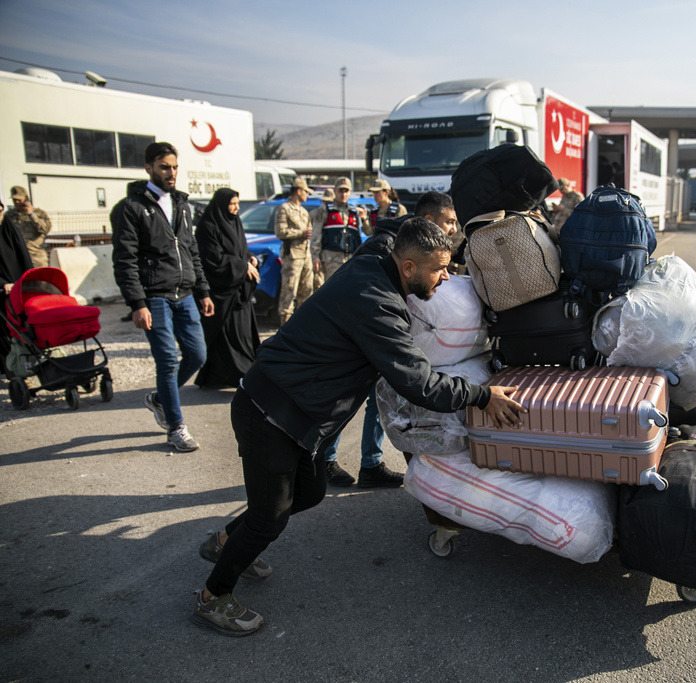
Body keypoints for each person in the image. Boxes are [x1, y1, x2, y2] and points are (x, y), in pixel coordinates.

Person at [190, 217, 525, 636]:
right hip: (271, 412)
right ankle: (212, 596)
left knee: (309, 494)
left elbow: (386, 231)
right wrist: (482, 396)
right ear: (407, 268)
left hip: (303, 416)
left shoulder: (374, 259)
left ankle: (226, 543)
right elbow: (419, 382)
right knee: (268, 517)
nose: (446, 276)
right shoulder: (378, 305)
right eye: (439, 269)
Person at [323, 190, 461, 488]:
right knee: (349, 399)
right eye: (449, 221)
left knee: (381, 402)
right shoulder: (385, 246)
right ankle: (324, 459)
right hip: (366, 338)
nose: (453, 228)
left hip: (390, 335)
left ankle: (371, 464)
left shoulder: (420, 248)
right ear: (428, 220)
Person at [111, 142, 214, 452]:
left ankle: (159, 399)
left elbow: (190, 250)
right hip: (154, 297)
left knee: (198, 355)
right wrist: (137, 304)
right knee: (167, 361)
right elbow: (125, 259)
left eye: (174, 167)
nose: (171, 173)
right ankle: (175, 427)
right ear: (149, 168)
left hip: (184, 294)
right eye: (164, 167)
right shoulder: (131, 208)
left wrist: (203, 291)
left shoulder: (181, 204)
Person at [193, 188, 262, 388]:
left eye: (237, 204)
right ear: (222, 204)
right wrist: (242, 266)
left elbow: (239, 248)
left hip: (239, 291)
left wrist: (250, 258)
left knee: (244, 335)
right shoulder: (208, 226)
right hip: (222, 291)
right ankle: (241, 375)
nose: (236, 208)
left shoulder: (234, 222)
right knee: (228, 337)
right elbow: (212, 260)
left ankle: (224, 376)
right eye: (232, 204)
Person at [309, 178, 370, 287]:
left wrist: (365, 219)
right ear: (335, 191)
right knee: (332, 290)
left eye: (346, 191)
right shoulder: (324, 210)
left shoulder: (354, 212)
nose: (343, 194)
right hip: (331, 260)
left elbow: (366, 233)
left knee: (349, 291)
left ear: (350, 192)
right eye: (340, 191)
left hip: (350, 260)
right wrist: (315, 256)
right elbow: (316, 235)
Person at [274, 178, 316, 324]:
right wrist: (300, 233)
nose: (307, 195)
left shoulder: (304, 211)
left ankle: (302, 326)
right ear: (298, 191)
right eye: (305, 192)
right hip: (292, 255)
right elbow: (280, 231)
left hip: (306, 254)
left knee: (307, 291)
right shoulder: (284, 208)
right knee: (289, 292)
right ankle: (284, 325)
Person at [0, 197, 32, 369]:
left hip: (18, 288)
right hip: (2, 288)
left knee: (22, 324)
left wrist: (28, 279)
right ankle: (11, 367)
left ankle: (26, 363)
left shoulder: (9, 228)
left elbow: (24, 258)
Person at [2, 186, 52, 269]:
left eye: (19, 200)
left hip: (36, 257)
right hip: (16, 258)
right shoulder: (9, 216)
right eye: (14, 200)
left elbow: (45, 229)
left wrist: (31, 215)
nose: (17, 202)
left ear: (26, 199)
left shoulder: (39, 213)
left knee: (39, 281)